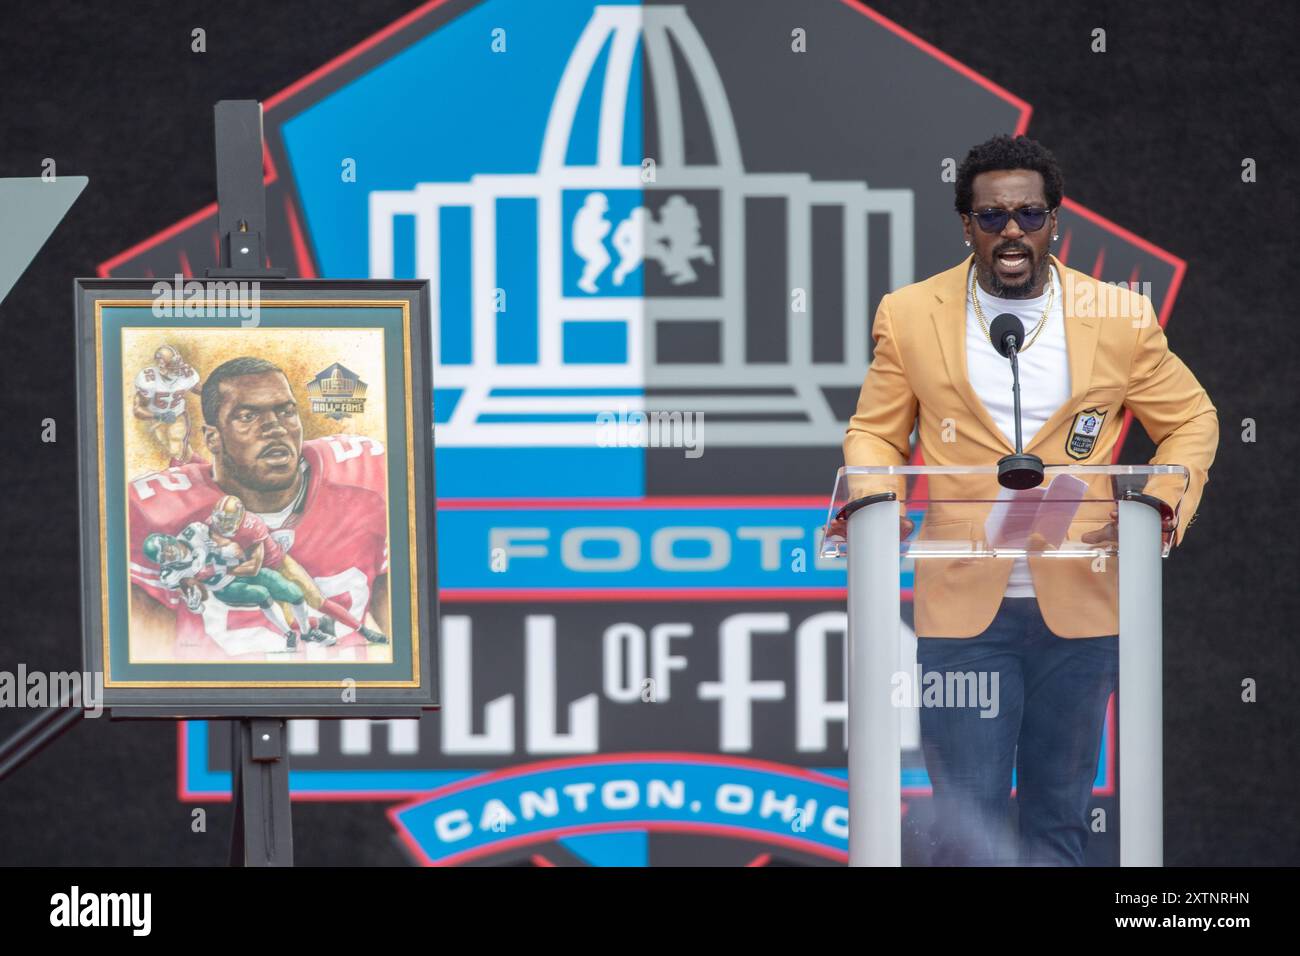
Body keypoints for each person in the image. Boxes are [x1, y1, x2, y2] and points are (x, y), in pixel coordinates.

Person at [843, 134, 1218, 865]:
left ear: (1055, 222)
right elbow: (872, 434)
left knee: (1059, 819)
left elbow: (1192, 420)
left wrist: (1156, 507)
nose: (1011, 232)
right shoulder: (912, 314)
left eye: (1028, 215)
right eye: (991, 218)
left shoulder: (1118, 316)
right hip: (963, 611)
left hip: (1082, 603)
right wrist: (874, 504)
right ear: (966, 226)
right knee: (968, 825)